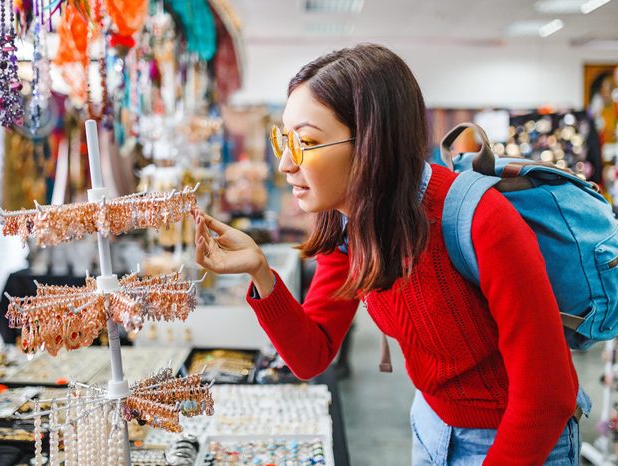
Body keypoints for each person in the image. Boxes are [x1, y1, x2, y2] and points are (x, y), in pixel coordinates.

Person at [192, 43, 589, 465]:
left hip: (521, 442)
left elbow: (546, 396)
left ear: (369, 143)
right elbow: (313, 354)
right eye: (283, 140)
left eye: (305, 142)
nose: (286, 164)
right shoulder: (349, 222)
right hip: (430, 427)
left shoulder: (481, 222)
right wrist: (260, 271)